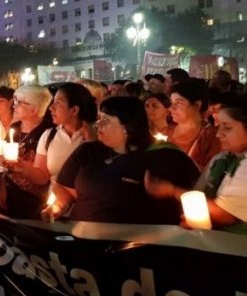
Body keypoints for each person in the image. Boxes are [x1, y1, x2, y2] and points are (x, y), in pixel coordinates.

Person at [47, 96, 199, 224]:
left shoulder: (167, 157)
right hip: (84, 240)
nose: (97, 124)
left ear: (127, 127)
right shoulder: (89, 151)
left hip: (140, 246)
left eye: (105, 120)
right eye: (99, 118)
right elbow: (66, 191)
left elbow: (192, 200)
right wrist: (58, 207)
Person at [145, 94, 247, 232]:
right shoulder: (221, 159)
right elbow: (198, 196)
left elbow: (225, 215)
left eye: (227, 127)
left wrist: (172, 190)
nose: (218, 134)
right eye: (219, 126)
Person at [24, 82, 97, 194]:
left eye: (58, 103)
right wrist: (20, 166)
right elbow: (42, 177)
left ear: (74, 110)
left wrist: (92, 142)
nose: (51, 108)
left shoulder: (98, 136)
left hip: (86, 205)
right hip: (56, 205)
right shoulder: (49, 135)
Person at [0, 85, 52, 219]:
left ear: (34, 109)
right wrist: (1, 187)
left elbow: (42, 177)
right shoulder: (15, 128)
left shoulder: (48, 132)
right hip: (11, 191)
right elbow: (4, 165)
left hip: (35, 200)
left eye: (19, 102)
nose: (14, 106)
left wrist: (21, 167)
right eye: (14, 101)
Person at [167, 79, 221, 170]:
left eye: (178, 102)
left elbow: (213, 173)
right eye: (171, 102)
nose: (171, 108)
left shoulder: (212, 136)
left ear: (197, 105)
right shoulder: (167, 131)